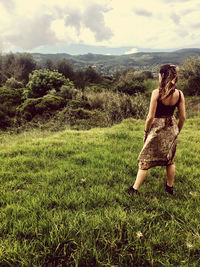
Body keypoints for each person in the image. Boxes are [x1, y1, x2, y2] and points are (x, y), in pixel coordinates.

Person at [127, 64, 186, 195]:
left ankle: (134, 189)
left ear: (162, 76)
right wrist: (177, 132)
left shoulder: (157, 93)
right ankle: (169, 187)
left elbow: (150, 117)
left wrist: (146, 132)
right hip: (172, 127)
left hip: (156, 129)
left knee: (145, 159)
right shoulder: (180, 94)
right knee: (170, 160)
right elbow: (182, 118)